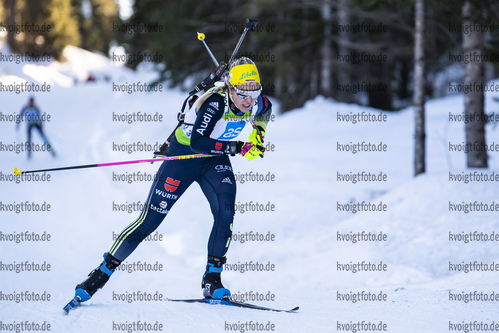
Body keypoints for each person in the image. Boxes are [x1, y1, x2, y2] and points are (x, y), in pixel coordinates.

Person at [73, 57, 272, 303]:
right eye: (243, 93)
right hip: (184, 156)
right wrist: (238, 147)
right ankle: (100, 275)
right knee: (149, 221)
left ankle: (212, 280)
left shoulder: (255, 100)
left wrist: (259, 135)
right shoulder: (215, 103)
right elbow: (199, 142)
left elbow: (265, 108)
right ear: (231, 88)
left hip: (214, 160)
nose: (248, 100)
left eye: (254, 93)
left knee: (226, 212)